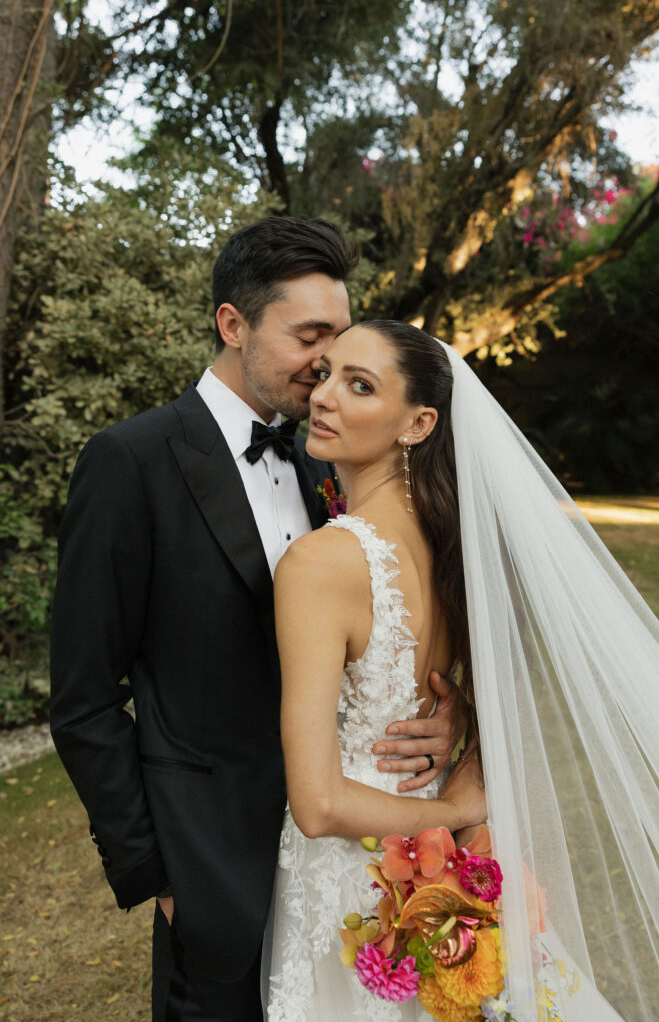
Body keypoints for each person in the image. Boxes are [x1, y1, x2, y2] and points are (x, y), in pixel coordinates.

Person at [49, 220, 459, 1022]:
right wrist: (160, 878)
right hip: (212, 878)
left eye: (339, 339)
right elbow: (84, 700)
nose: (326, 364)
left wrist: (446, 715)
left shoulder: (330, 462)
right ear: (232, 325)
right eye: (310, 337)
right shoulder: (129, 462)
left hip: (346, 866)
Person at [264, 321, 659, 1021]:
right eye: (328, 372)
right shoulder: (455, 543)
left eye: (358, 385)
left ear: (419, 422)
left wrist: (455, 808)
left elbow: (318, 805)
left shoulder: (319, 563)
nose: (323, 395)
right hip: (434, 864)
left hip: (351, 876)